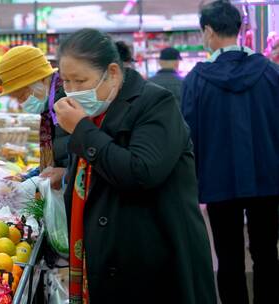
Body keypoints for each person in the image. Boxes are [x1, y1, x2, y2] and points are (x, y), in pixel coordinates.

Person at [53, 28, 216, 303]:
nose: (72, 91)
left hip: (157, 263)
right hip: (110, 260)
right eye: (66, 82)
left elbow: (140, 172)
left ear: (113, 73)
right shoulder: (95, 113)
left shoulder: (156, 103)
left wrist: (81, 130)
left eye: (81, 81)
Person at [182, 1, 279, 303]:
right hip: (268, 179)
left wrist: (192, 183)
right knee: (267, 254)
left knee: (228, 258)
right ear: (240, 29)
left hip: (217, 182)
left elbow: (189, 134)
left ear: (208, 31)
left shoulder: (197, 80)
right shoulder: (272, 73)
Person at [0, 46, 69, 189]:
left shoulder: (65, 103)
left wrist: (67, 174)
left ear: (40, 81)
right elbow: (57, 162)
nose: (21, 103)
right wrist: (26, 178)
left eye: (22, 96)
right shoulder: (50, 107)